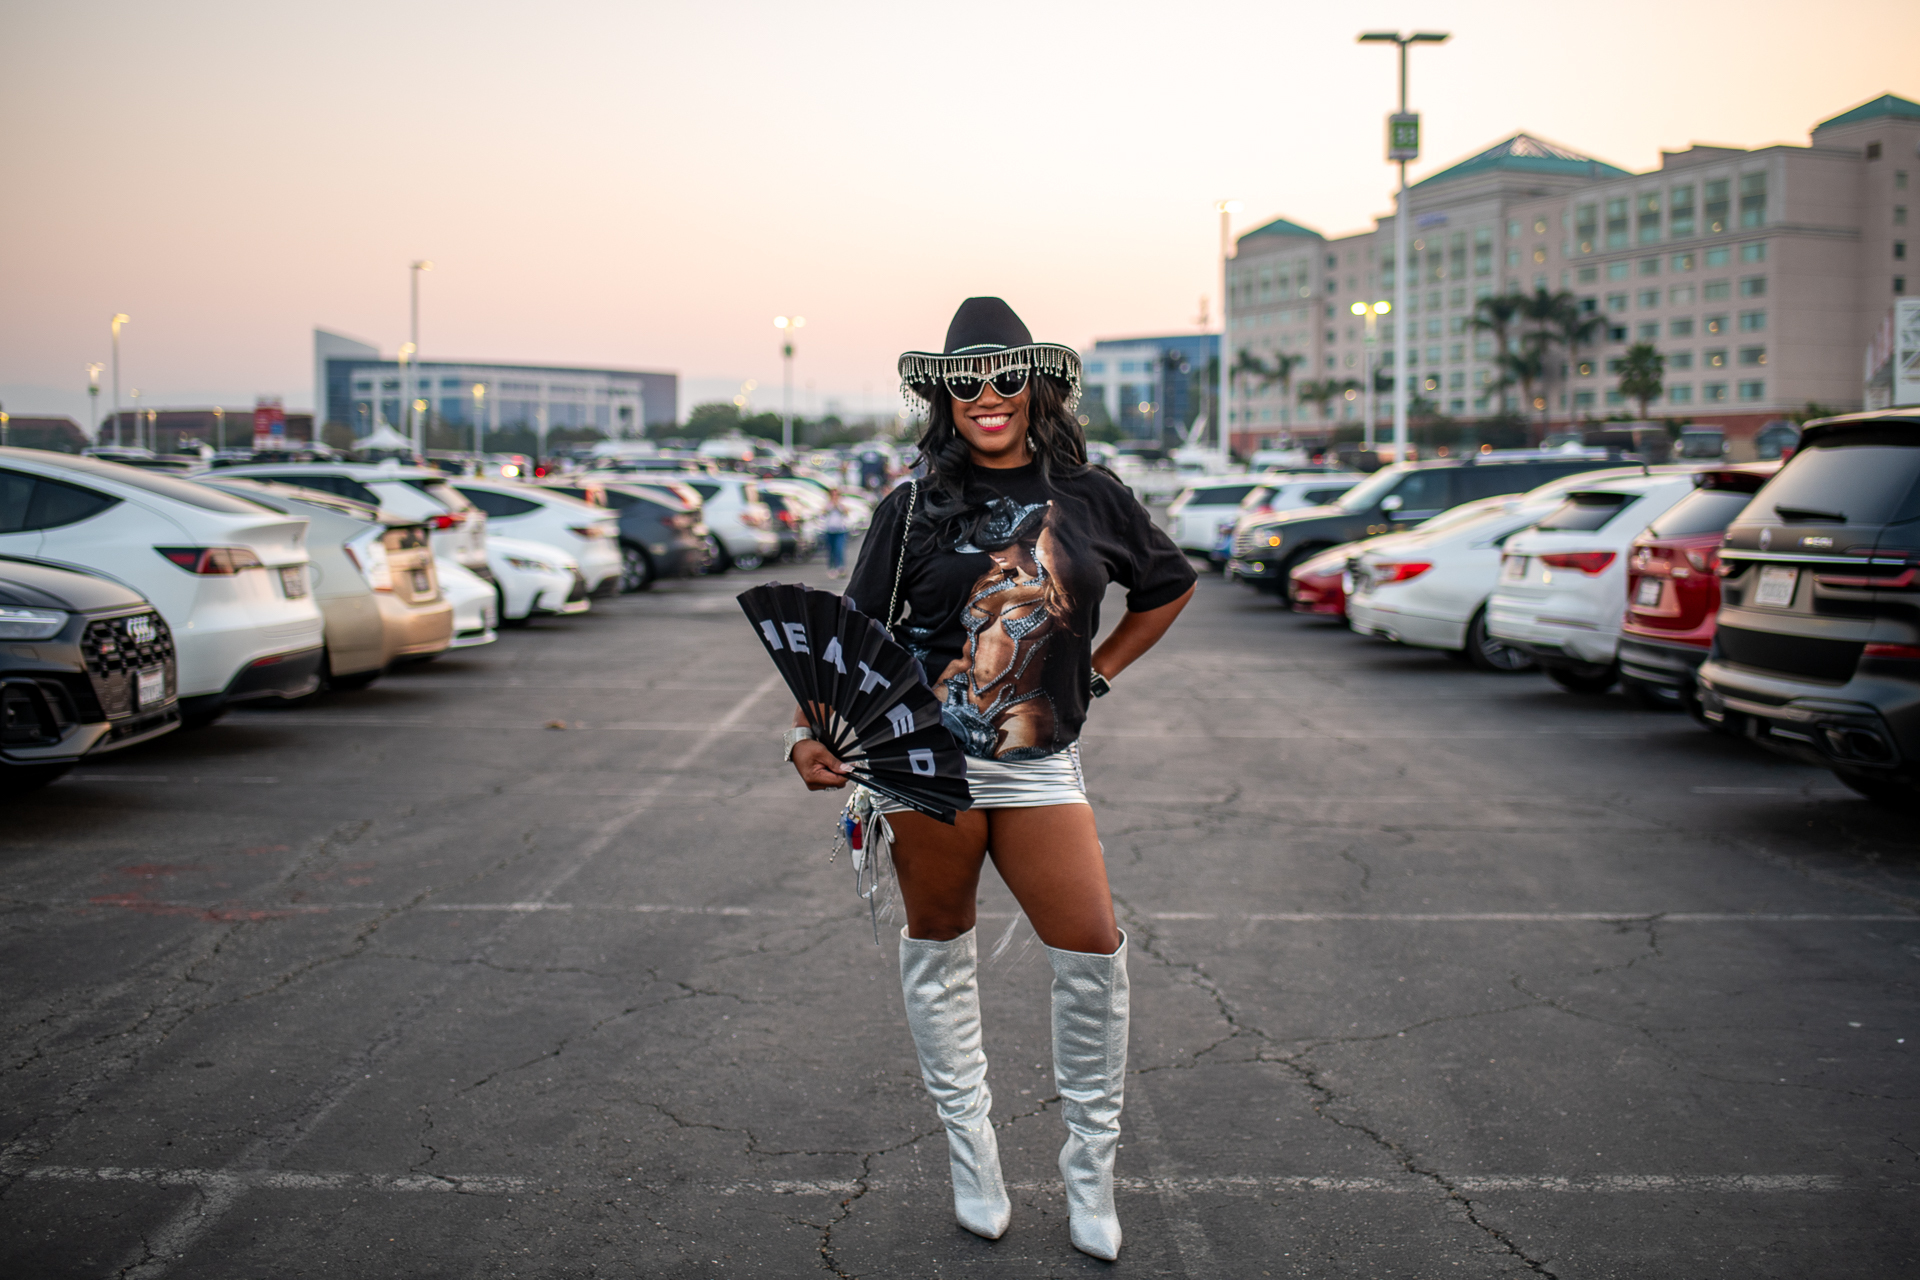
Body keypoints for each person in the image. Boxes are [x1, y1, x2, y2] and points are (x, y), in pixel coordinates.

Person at [783, 297, 1195, 1259]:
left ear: (1038, 387)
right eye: (966, 384)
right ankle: (975, 1161)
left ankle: (1090, 1175)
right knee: (941, 949)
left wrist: (1096, 671)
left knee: (1093, 951)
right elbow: (852, 640)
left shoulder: (1095, 497)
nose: (988, 398)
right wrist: (804, 735)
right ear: (945, 399)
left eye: (1007, 379)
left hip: (1041, 764)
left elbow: (1166, 587)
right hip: (923, 764)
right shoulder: (911, 506)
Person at [821, 488, 851, 577]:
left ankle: (840, 567)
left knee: (839, 549)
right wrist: (831, 505)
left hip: (840, 530)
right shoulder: (828, 504)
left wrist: (837, 505)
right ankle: (831, 567)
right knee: (831, 550)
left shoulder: (841, 504)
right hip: (830, 530)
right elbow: (823, 512)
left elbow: (846, 512)